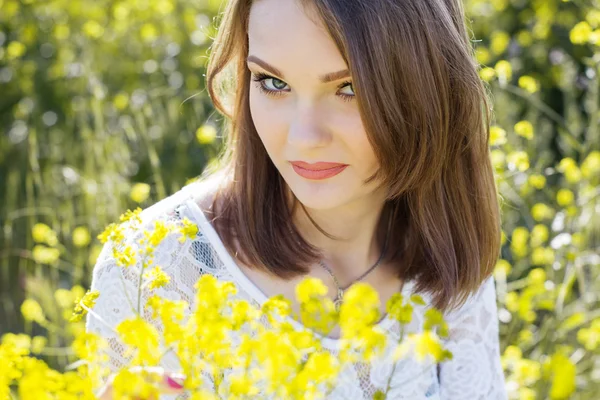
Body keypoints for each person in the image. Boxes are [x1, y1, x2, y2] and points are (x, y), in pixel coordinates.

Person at [86, 0, 509, 398]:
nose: (304, 138)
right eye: (273, 82)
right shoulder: (153, 263)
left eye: (350, 88)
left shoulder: (445, 258)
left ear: (429, 90)